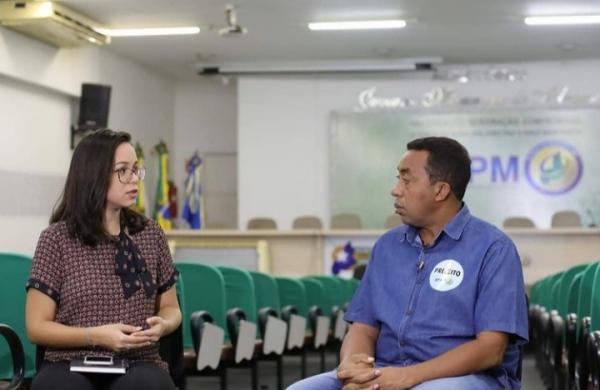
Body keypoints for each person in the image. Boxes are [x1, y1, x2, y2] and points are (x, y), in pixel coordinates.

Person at [288, 136, 528, 390]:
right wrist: (354, 365)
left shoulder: (494, 248)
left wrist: (410, 376)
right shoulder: (387, 247)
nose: (395, 189)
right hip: (385, 370)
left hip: (465, 377)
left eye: (406, 179)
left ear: (440, 191)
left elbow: (490, 349)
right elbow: (363, 329)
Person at [25, 130, 182, 390]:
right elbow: (36, 327)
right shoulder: (56, 239)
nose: (134, 179)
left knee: (143, 386)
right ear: (93, 175)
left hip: (138, 360)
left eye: (135, 170)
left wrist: (163, 324)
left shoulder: (151, 234)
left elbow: (171, 308)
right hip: (69, 361)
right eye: (123, 171)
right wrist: (94, 336)